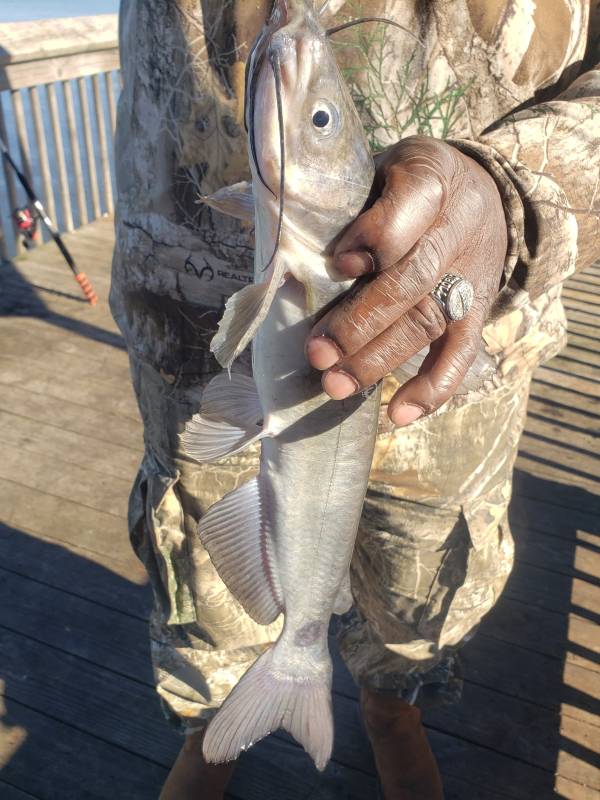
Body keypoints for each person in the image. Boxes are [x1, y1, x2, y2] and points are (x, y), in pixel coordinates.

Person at [109, 1, 600, 798]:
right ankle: (216, 733)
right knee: (207, 618)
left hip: (458, 357)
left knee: (413, 618)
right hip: (188, 334)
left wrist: (517, 194)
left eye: (323, 120)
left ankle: (389, 713)